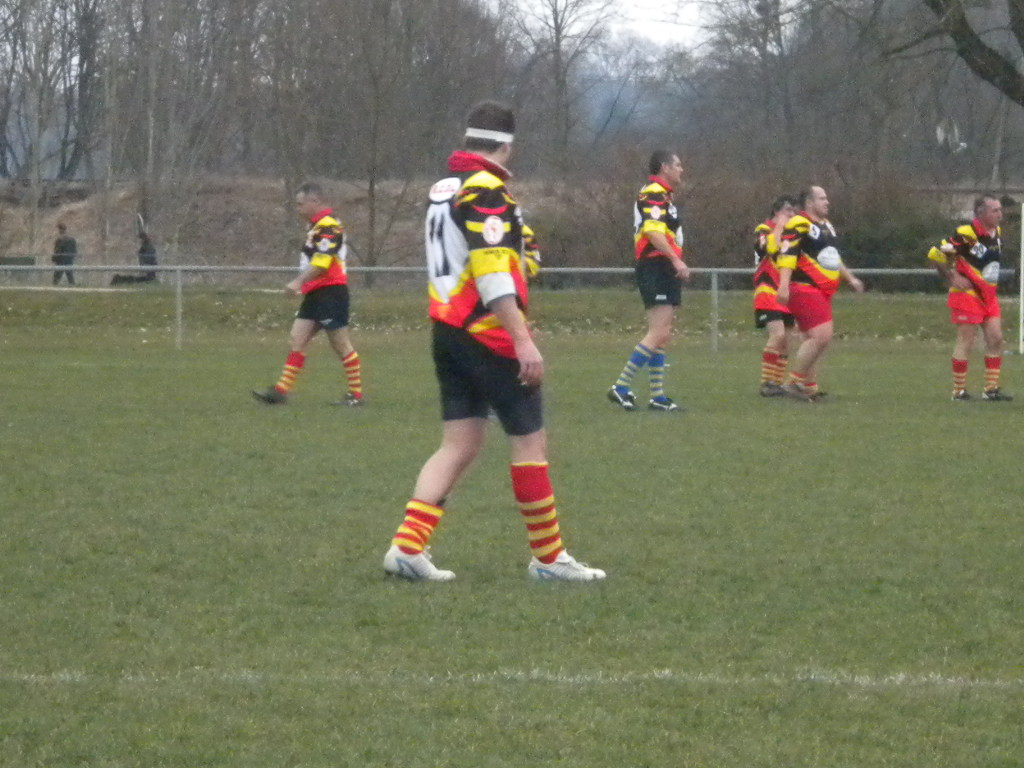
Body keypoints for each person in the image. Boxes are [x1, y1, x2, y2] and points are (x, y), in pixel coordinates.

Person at [382, 100, 605, 582]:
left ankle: (406, 548)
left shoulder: (443, 188)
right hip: (487, 332)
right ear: (507, 145)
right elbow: (491, 274)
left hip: (446, 331)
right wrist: (522, 339)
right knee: (530, 443)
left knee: (458, 444)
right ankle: (549, 559)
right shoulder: (487, 190)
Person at [252, 182, 363, 406]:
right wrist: (304, 286)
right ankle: (280, 392)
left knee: (340, 344)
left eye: (301, 204)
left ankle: (356, 396)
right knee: (297, 338)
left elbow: (322, 263)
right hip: (315, 293)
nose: (298, 208)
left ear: (316, 201)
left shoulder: (329, 227)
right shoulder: (315, 227)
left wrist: (297, 282)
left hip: (331, 293)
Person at [607, 150, 690, 412]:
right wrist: (676, 260)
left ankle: (657, 396)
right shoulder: (654, 193)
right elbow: (653, 232)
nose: (681, 169)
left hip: (661, 266)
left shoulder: (663, 195)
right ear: (664, 167)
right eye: (677, 164)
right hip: (656, 265)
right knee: (659, 332)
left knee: (661, 333)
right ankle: (621, 386)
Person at [776, 186, 864, 400]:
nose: (827, 202)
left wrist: (850, 277)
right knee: (821, 336)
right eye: (822, 198)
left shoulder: (826, 226)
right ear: (809, 202)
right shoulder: (799, 223)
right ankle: (794, 383)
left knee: (812, 338)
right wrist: (784, 285)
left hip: (822, 291)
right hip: (804, 287)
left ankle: (809, 387)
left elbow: (832, 257)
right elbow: (788, 254)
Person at [927, 194, 1012, 401]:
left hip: (988, 295)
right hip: (968, 294)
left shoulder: (997, 233)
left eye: (1000, 210)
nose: (999, 214)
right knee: (967, 340)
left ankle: (990, 390)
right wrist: (951, 276)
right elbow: (936, 254)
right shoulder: (966, 234)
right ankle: (959, 391)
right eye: (994, 210)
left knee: (995, 338)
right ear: (980, 213)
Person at [753, 195, 798, 396]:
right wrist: (779, 227)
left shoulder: (792, 234)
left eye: (793, 211)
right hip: (768, 290)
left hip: (786, 292)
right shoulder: (763, 229)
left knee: (786, 341)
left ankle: (778, 384)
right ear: (776, 212)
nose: (791, 214)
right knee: (777, 334)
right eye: (788, 210)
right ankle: (767, 382)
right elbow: (770, 249)